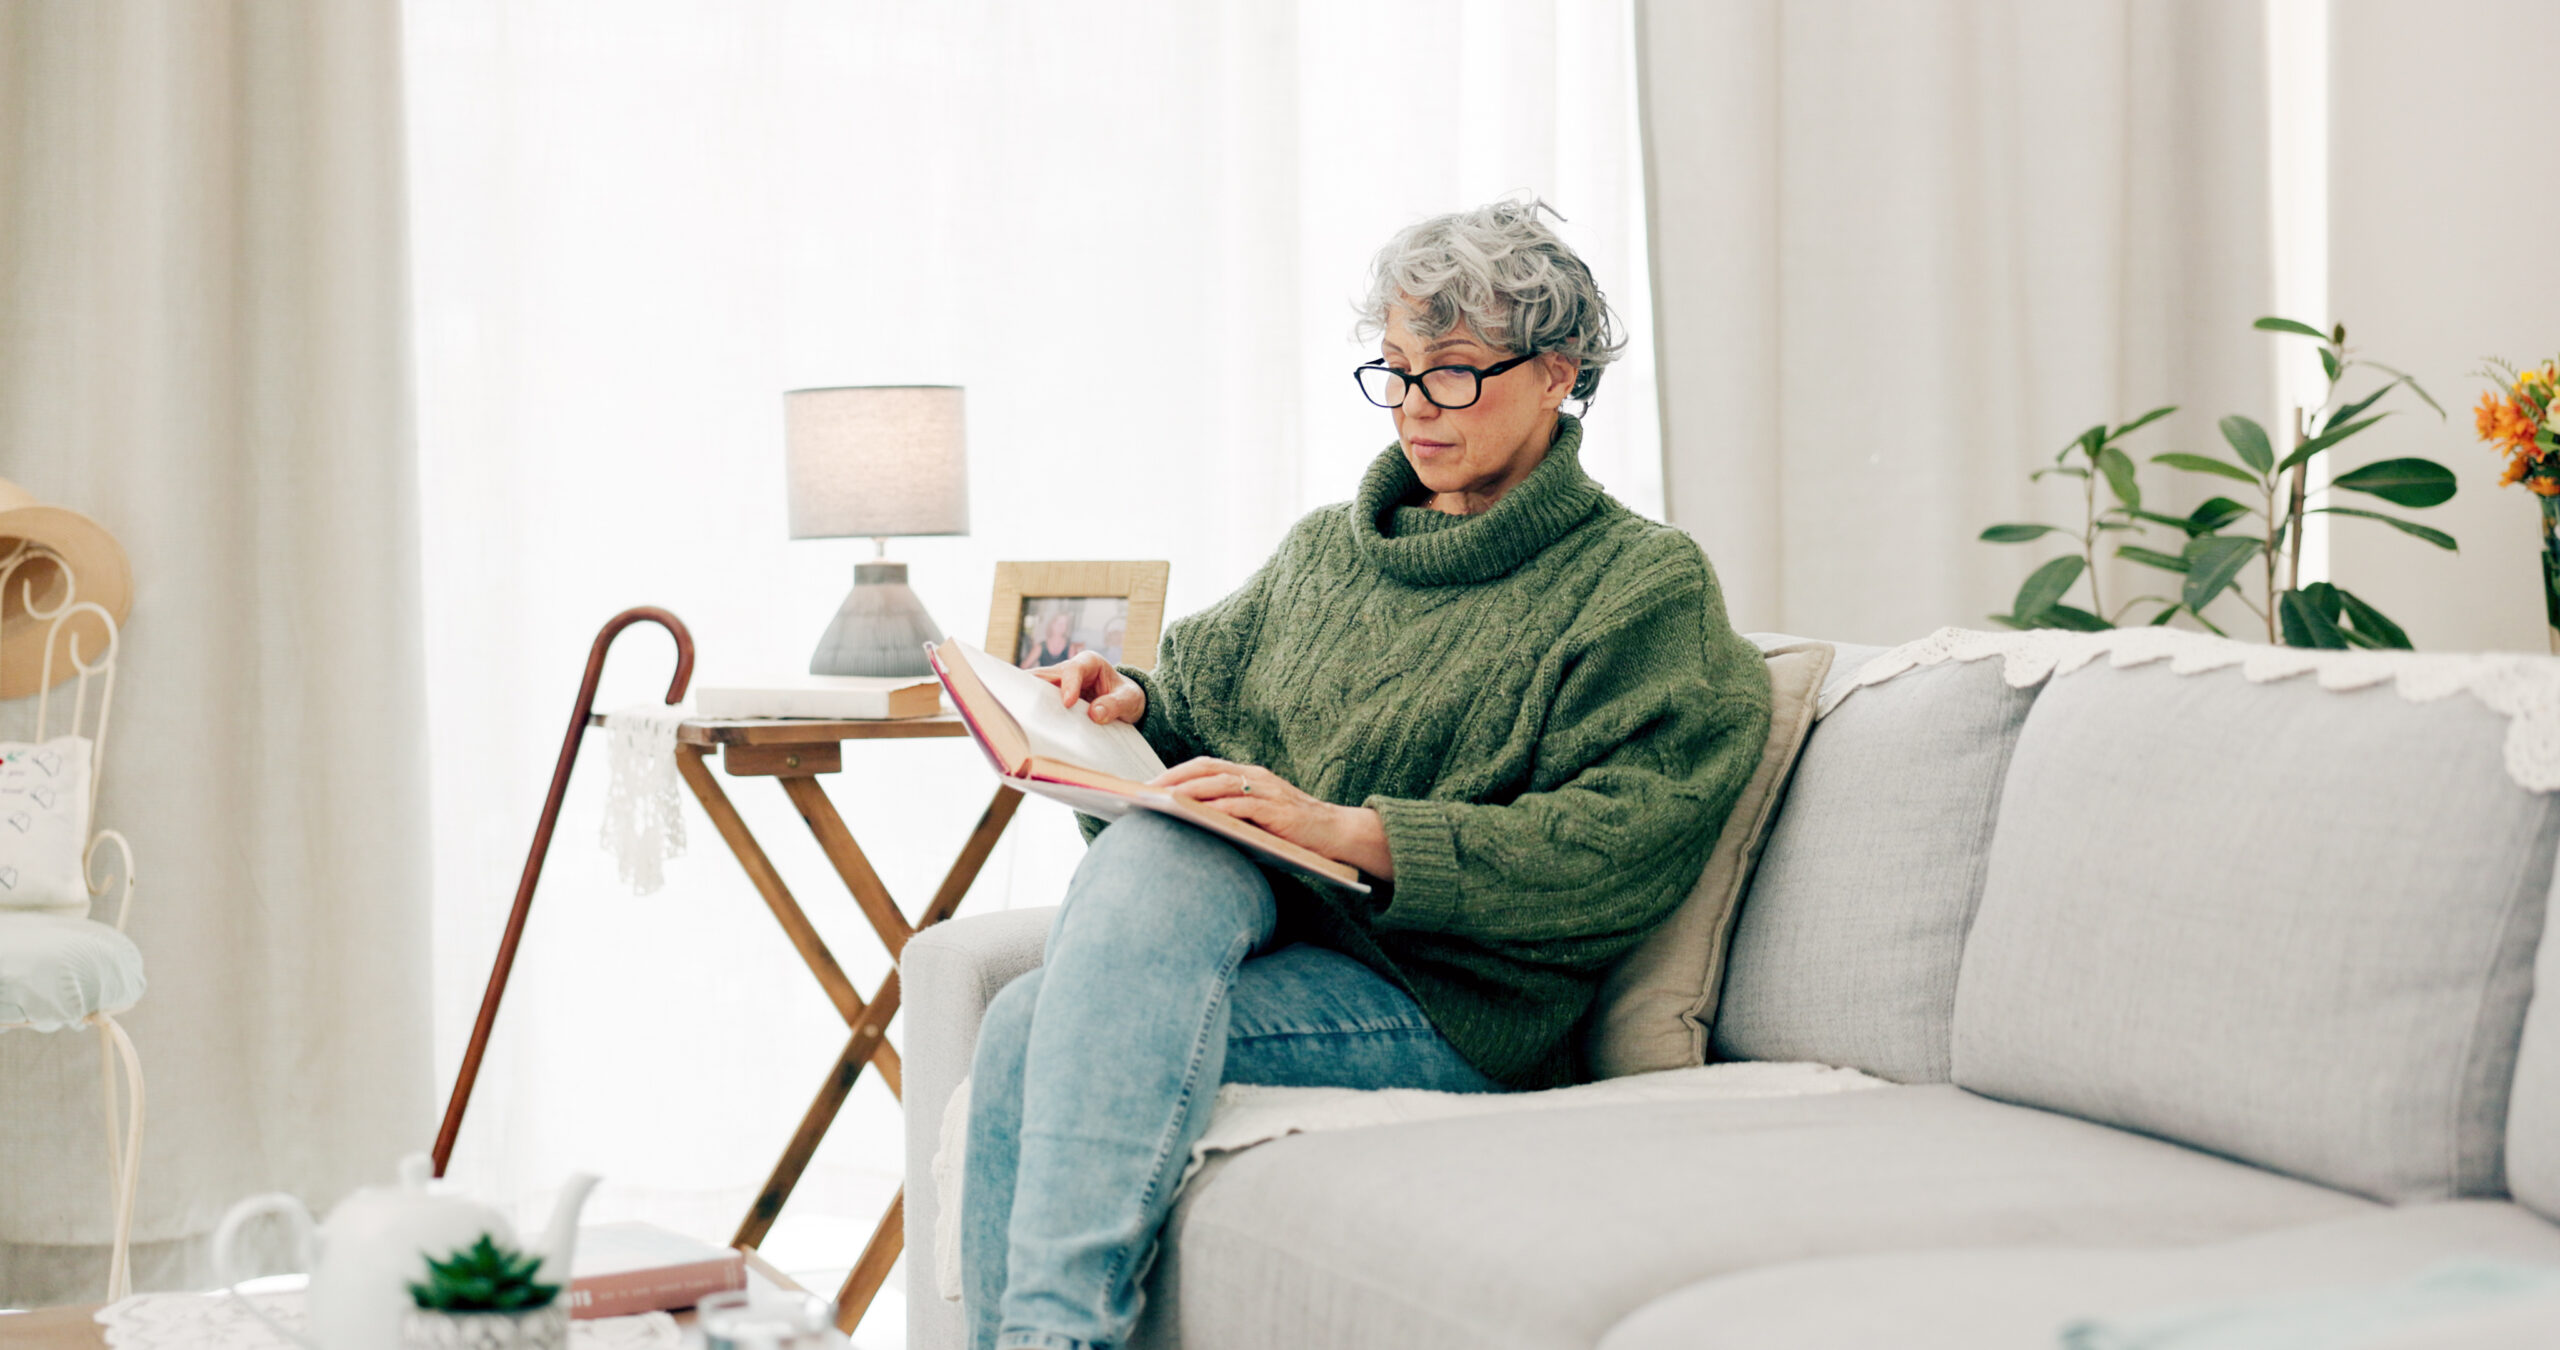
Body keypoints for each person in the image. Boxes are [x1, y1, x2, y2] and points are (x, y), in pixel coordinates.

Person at [960, 199, 1772, 1350]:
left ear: (1555, 374)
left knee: (1035, 1027)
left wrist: (1353, 833)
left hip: (1444, 1004)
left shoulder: (1641, 585)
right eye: (1391, 372)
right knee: (1089, 930)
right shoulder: (1322, 554)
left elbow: (1623, 842)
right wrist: (1134, 705)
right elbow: (1206, 699)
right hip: (1284, 929)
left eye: (1448, 374)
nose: (1410, 409)